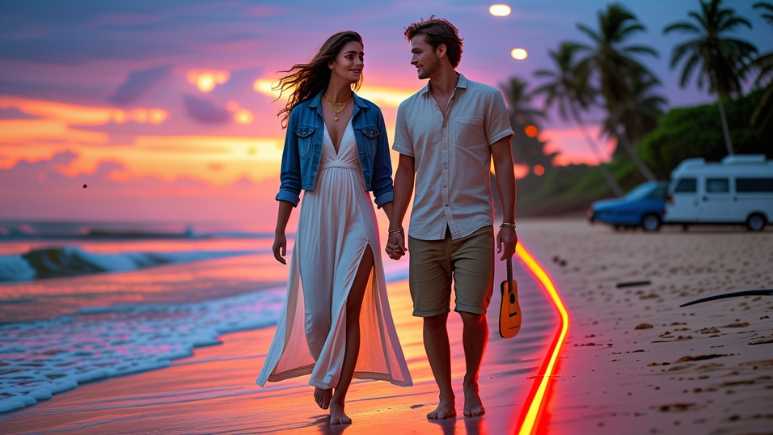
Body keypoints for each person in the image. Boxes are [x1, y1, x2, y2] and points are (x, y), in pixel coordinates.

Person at [257, 30, 412, 426]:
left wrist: (395, 227)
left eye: (361, 56)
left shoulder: (370, 114)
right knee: (318, 317)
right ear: (331, 62)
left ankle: (339, 397)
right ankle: (323, 371)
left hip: (358, 215)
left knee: (349, 309)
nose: (358, 63)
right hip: (316, 213)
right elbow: (289, 176)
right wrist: (279, 230)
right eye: (350, 56)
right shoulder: (303, 115)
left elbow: (382, 180)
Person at [386, 17, 518, 420]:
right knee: (431, 315)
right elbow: (404, 170)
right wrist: (395, 224)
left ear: (441, 51)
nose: (412, 60)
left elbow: (504, 162)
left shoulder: (486, 99)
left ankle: (470, 381)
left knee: (472, 313)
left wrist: (508, 222)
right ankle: (445, 394)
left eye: (417, 51)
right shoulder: (408, 109)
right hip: (425, 228)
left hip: (474, 223)